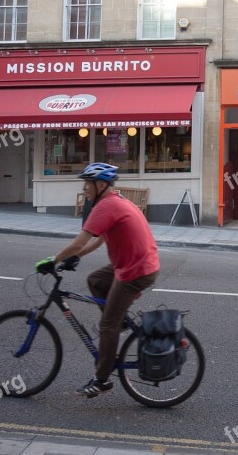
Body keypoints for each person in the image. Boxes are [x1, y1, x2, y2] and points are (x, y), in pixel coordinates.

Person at [35, 163, 160, 398]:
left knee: (107, 326)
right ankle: (119, 322)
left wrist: (53, 260)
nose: (84, 188)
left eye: (88, 183)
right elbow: (99, 240)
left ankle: (102, 379)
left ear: (101, 185)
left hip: (135, 270)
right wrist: (74, 258)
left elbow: (79, 241)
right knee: (95, 279)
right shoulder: (115, 201)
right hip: (135, 263)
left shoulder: (106, 206)